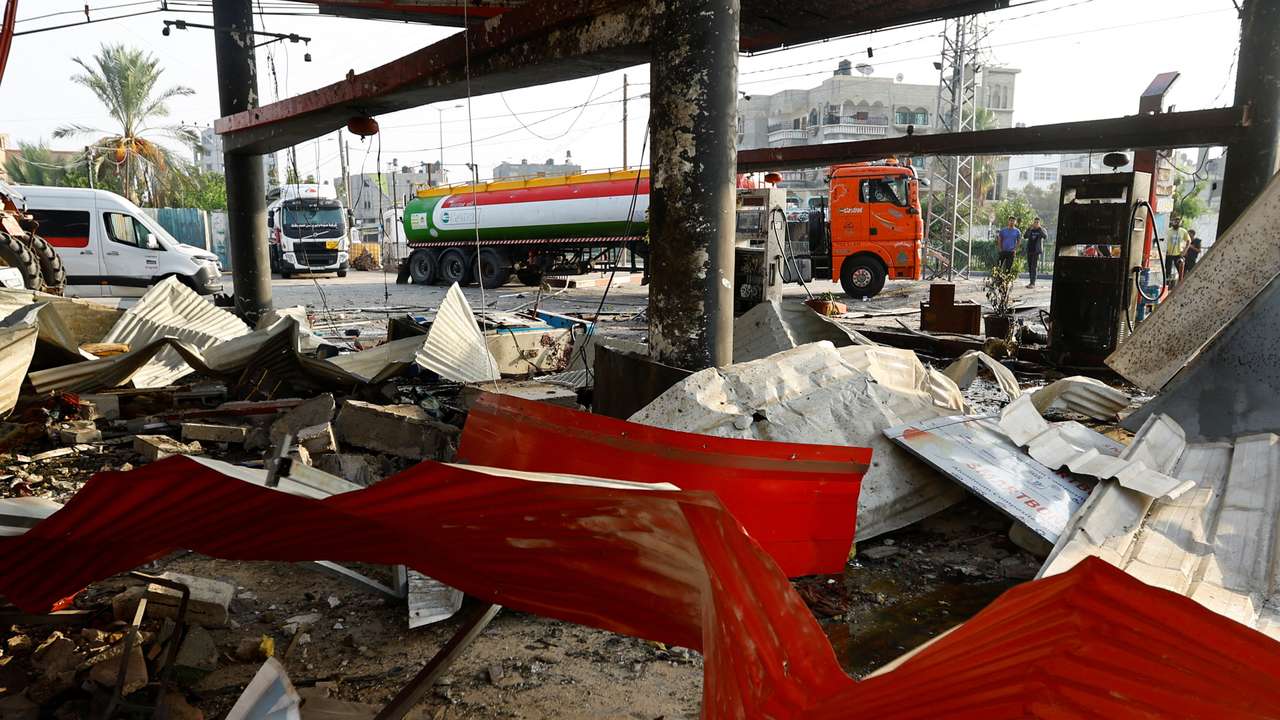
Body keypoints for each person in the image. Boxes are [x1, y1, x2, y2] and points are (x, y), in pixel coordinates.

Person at [1165, 216, 1189, 286]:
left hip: (1178, 254)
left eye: (1178, 222)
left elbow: (1188, 241)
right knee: (1167, 272)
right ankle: (1167, 285)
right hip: (1168, 254)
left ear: (1180, 223)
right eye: (1175, 221)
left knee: (1181, 271)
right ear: (1172, 222)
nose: (1176, 223)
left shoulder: (1183, 231)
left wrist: (1184, 252)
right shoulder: (1168, 231)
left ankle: (1181, 285)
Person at [1023, 217, 1047, 287]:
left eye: (1037, 222)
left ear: (1039, 223)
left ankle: (1032, 283)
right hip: (1029, 250)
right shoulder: (1031, 229)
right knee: (1030, 267)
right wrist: (1029, 229)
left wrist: (1040, 229)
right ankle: (1031, 282)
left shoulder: (1042, 229)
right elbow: (1025, 236)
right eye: (1035, 222)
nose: (1036, 223)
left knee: (1034, 267)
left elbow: (1045, 236)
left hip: (1036, 251)